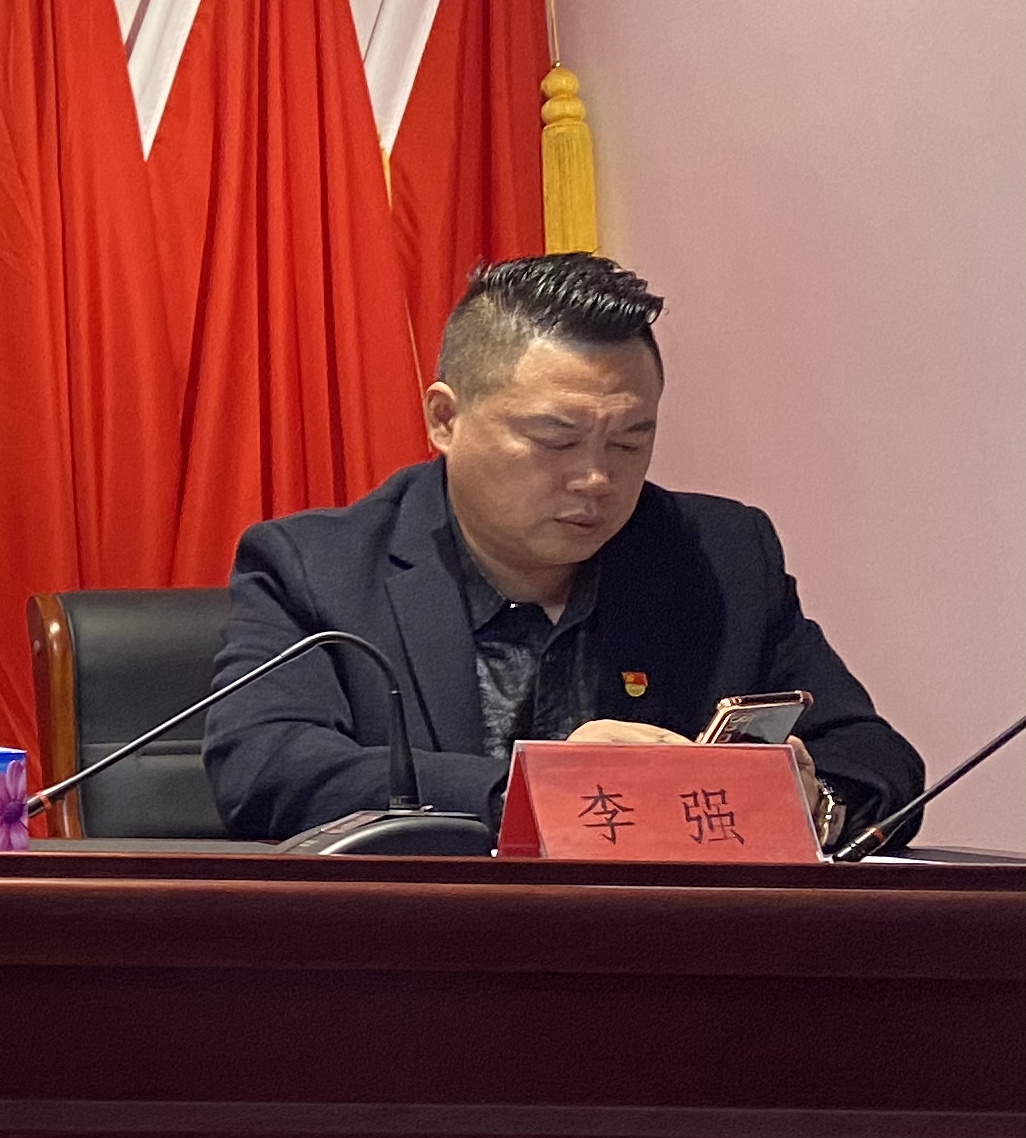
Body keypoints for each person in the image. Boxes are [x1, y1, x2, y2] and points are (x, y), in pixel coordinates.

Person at [205, 252, 919, 846]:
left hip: (667, 952)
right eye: (557, 440)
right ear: (445, 419)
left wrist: (813, 803)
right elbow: (265, 767)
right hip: (429, 949)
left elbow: (877, 760)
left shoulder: (721, 556)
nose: (596, 479)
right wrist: (539, 791)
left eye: (630, 443)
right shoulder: (317, 567)